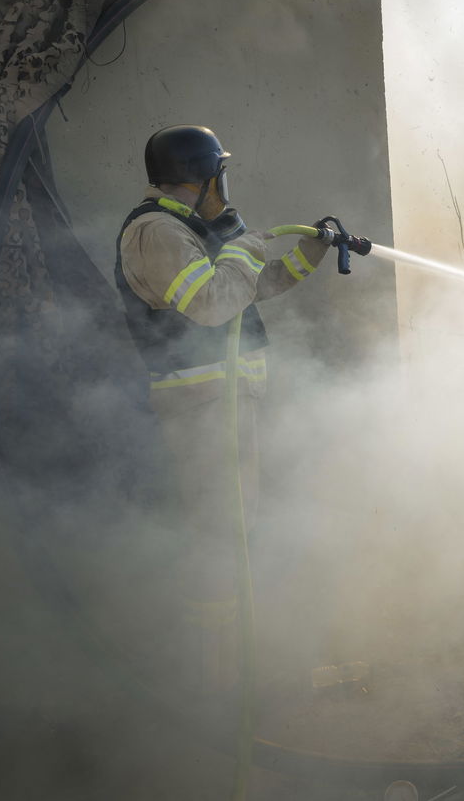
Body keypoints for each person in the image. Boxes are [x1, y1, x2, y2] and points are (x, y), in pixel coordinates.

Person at [114, 124, 329, 701]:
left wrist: (307, 258)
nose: (225, 186)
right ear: (204, 174)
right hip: (202, 409)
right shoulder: (155, 233)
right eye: (221, 173)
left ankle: (239, 669)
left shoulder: (188, 231)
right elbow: (212, 305)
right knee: (219, 537)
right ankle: (217, 684)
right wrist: (241, 248)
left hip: (225, 405)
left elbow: (245, 290)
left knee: (237, 533)